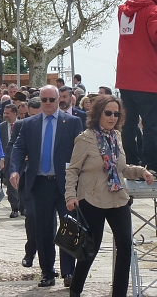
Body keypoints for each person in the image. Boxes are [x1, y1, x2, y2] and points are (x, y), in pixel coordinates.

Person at [65, 95, 154, 297]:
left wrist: (142, 172)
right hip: (92, 199)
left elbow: (121, 168)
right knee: (90, 250)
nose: (113, 117)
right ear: (98, 114)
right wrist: (70, 196)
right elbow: (72, 171)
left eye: (116, 113)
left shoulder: (116, 137)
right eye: (108, 113)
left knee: (125, 247)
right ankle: (75, 291)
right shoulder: (85, 138)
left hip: (118, 198)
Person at [9, 85, 83, 288]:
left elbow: (81, 152)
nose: (48, 104)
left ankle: (69, 272)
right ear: (39, 101)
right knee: (43, 231)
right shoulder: (29, 124)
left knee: (69, 227)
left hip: (66, 185)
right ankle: (47, 272)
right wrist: (14, 170)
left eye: (52, 99)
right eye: (44, 100)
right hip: (40, 183)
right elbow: (18, 149)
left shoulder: (73, 122)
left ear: (60, 100)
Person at [116, 0, 157, 171]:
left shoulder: (123, 11)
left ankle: (131, 163)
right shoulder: (152, 11)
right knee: (152, 126)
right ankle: (150, 165)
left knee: (128, 125)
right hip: (148, 79)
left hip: (125, 79)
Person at [6, 97, 42, 268]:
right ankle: (30, 252)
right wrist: (15, 169)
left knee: (48, 221)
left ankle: (47, 259)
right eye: (32, 114)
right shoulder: (23, 125)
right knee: (31, 216)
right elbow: (13, 147)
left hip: (49, 178)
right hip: (28, 178)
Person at [0, 104, 20, 218]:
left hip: (22, 160)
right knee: (11, 185)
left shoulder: (23, 124)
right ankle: (14, 208)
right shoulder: (0, 127)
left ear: (15, 114)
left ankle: (23, 206)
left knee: (22, 184)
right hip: (7, 160)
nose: (5, 115)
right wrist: (1, 159)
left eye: (8, 113)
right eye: (4, 113)